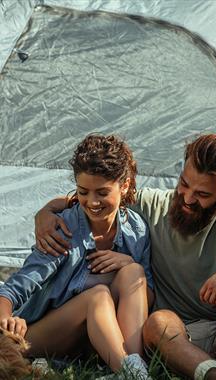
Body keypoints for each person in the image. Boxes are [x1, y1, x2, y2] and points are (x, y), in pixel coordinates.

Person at [35, 134, 216, 380]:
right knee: (158, 321)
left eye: (202, 194)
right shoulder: (152, 204)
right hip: (170, 336)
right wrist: (46, 212)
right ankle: (214, 375)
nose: (187, 198)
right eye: (184, 184)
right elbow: (97, 197)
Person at [0, 134, 154, 379]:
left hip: (95, 341)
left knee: (134, 272)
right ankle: (129, 372)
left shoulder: (136, 230)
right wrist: (6, 319)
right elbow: (14, 288)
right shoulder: (63, 228)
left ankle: (133, 368)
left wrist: (130, 262)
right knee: (98, 296)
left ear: (123, 186)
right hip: (42, 333)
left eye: (102, 192)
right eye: (83, 191)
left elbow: (148, 294)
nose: (91, 202)